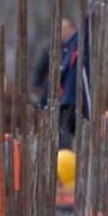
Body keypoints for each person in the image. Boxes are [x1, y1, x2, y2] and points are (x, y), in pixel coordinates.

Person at [33, 18, 90, 150]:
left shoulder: (78, 48)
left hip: (71, 98)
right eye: (61, 29)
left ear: (73, 29)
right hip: (54, 97)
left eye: (65, 29)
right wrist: (39, 88)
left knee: (68, 131)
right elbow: (39, 70)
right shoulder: (51, 48)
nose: (62, 32)